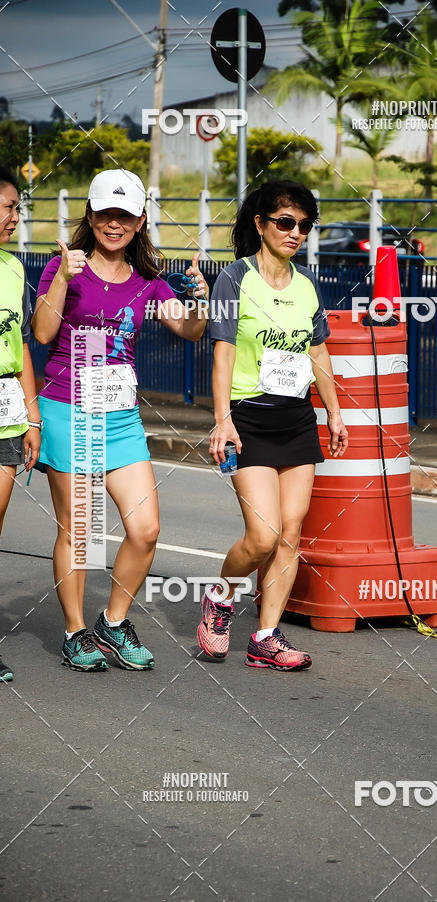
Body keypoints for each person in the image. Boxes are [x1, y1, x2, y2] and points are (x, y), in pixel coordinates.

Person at [32, 168, 208, 672]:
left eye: (125, 215)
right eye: (106, 213)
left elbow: (191, 330)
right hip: (69, 410)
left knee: (146, 529)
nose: (115, 223)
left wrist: (198, 295)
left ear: (140, 220)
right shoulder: (63, 268)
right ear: (90, 215)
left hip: (121, 418)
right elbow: (43, 334)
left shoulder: (148, 282)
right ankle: (74, 631)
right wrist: (64, 279)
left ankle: (112, 622)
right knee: (81, 531)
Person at [199, 179, 348, 672]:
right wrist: (222, 421)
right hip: (248, 419)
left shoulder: (307, 285)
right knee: (261, 535)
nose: (296, 232)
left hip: (296, 419)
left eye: (304, 225)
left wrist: (334, 410)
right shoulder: (232, 279)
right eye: (286, 222)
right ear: (261, 224)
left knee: (290, 534)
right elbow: (221, 354)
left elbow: (318, 349)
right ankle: (220, 599)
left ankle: (265, 636)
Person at [0, 165, 41, 683]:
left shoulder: (13, 268)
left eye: (16, 208)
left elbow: (23, 346)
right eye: (9, 207)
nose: (16, 217)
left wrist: (31, 416)